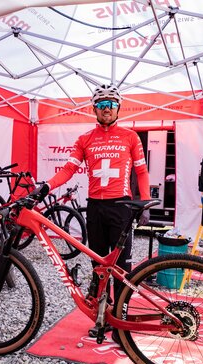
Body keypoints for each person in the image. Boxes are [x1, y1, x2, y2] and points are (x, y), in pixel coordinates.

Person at [31, 83, 151, 341]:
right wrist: (46, 187)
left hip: (122, 207)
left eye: (111, 104)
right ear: (94, 109)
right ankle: (100, 317)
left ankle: (122, 322)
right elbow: (68, 170)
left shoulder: (130, 137)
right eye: (101, 104)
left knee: (121, 268)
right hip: (95, 207)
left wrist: (146, 202)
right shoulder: (85, 139)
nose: (106, 109)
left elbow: (141, 171)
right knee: (98, 265)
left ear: (118, 108)